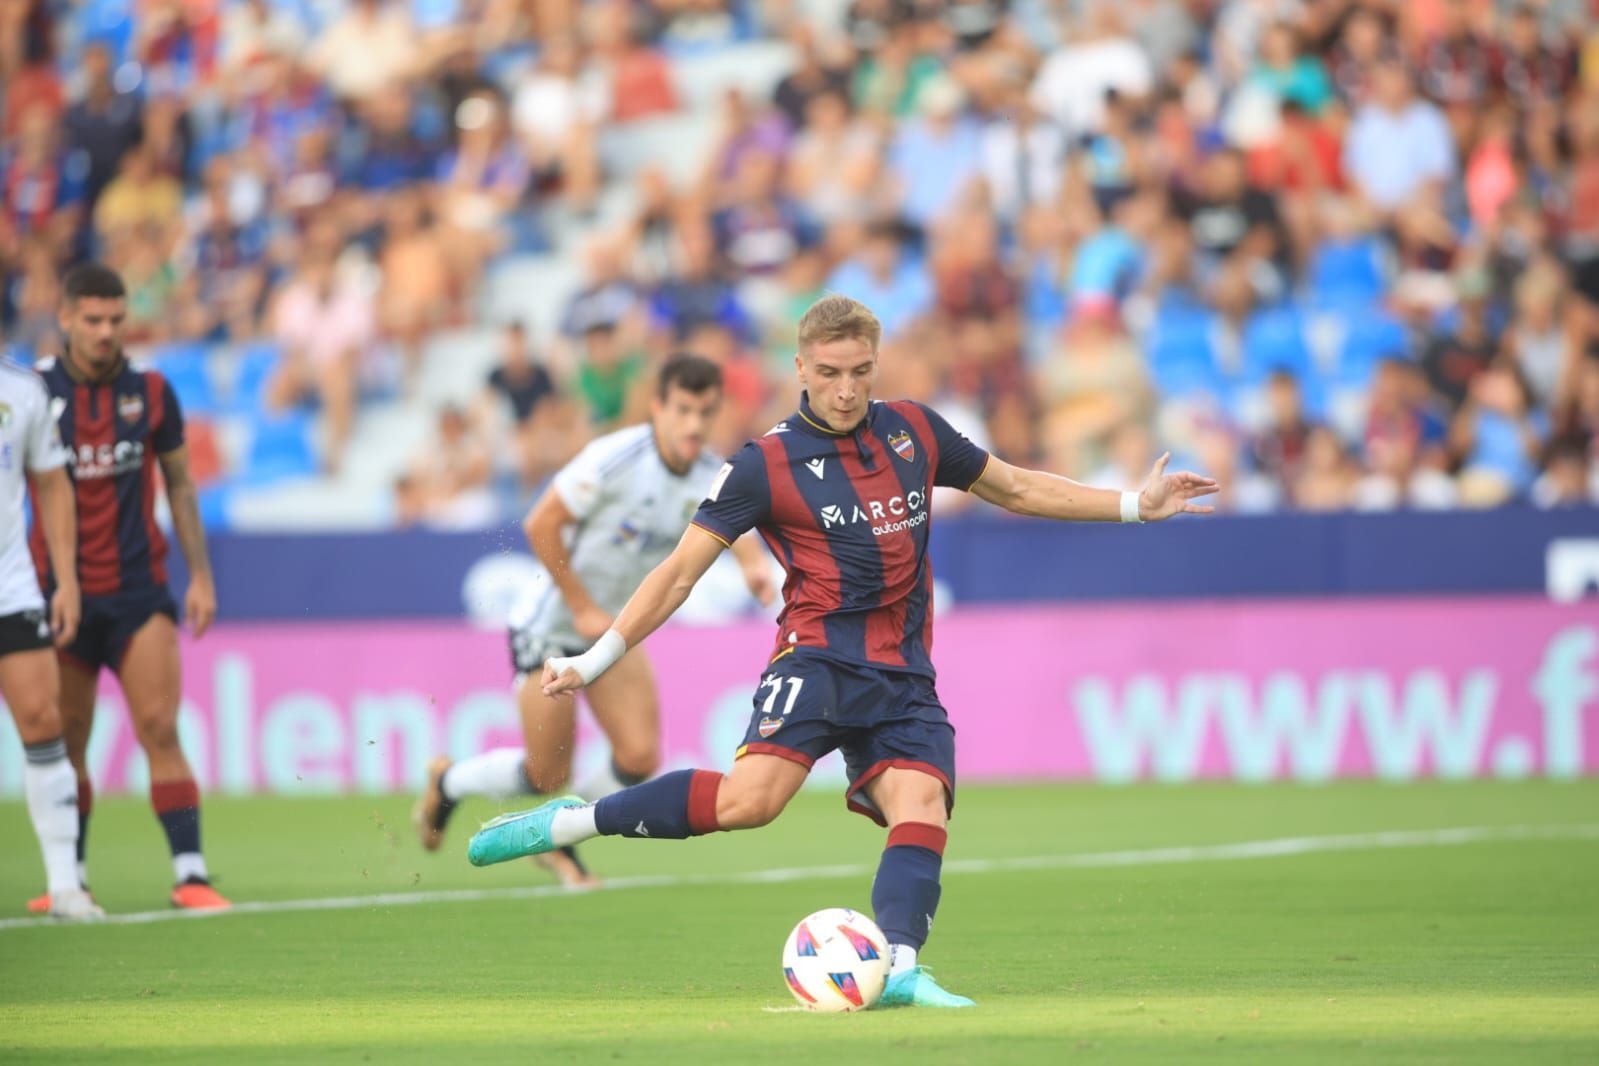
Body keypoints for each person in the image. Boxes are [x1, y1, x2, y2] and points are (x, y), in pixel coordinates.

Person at [466, 295, 1217, 1007]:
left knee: (921, 804)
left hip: (903, 670)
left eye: (859, 372)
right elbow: (677, 575)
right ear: (799, 368)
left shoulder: (916, 432)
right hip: (817, 661)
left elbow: (1016, 488)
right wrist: (594, 658)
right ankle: (574, 822)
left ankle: (899, 967)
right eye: (828, 373)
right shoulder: (764, 463)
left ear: (875, 365)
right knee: (747, 803)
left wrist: (1132, 506)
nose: (845, 390)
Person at [415, 354, 774, 884]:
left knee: (639, 754)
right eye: (682, 410)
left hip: (610, 630)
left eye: (705, 412)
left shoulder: (708, 472)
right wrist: (581, 605)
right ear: (657, 408)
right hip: (551, 627)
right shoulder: (616, 459)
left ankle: (555, 834)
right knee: (545, 773)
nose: (694, 425)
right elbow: (542, 524)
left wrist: (754, 567)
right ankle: (450, 783)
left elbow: (734, 524)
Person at [26, 263, 226, 914]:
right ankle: (69, 879)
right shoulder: (31, 394)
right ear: (65, 319)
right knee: (69, 738)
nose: (106, 332)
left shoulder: (154, 392)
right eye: (93, 320)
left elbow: (181, 485)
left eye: (116, 319)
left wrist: (199, 575)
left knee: (159, 725)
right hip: (59, 595)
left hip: (139, 592)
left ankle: (191, 873)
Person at [1, 359, 99, 919]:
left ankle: (65, 886)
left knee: (43, 721)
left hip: (10, 588)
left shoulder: (22, 390)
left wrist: (64, 578)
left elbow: (53, 485)